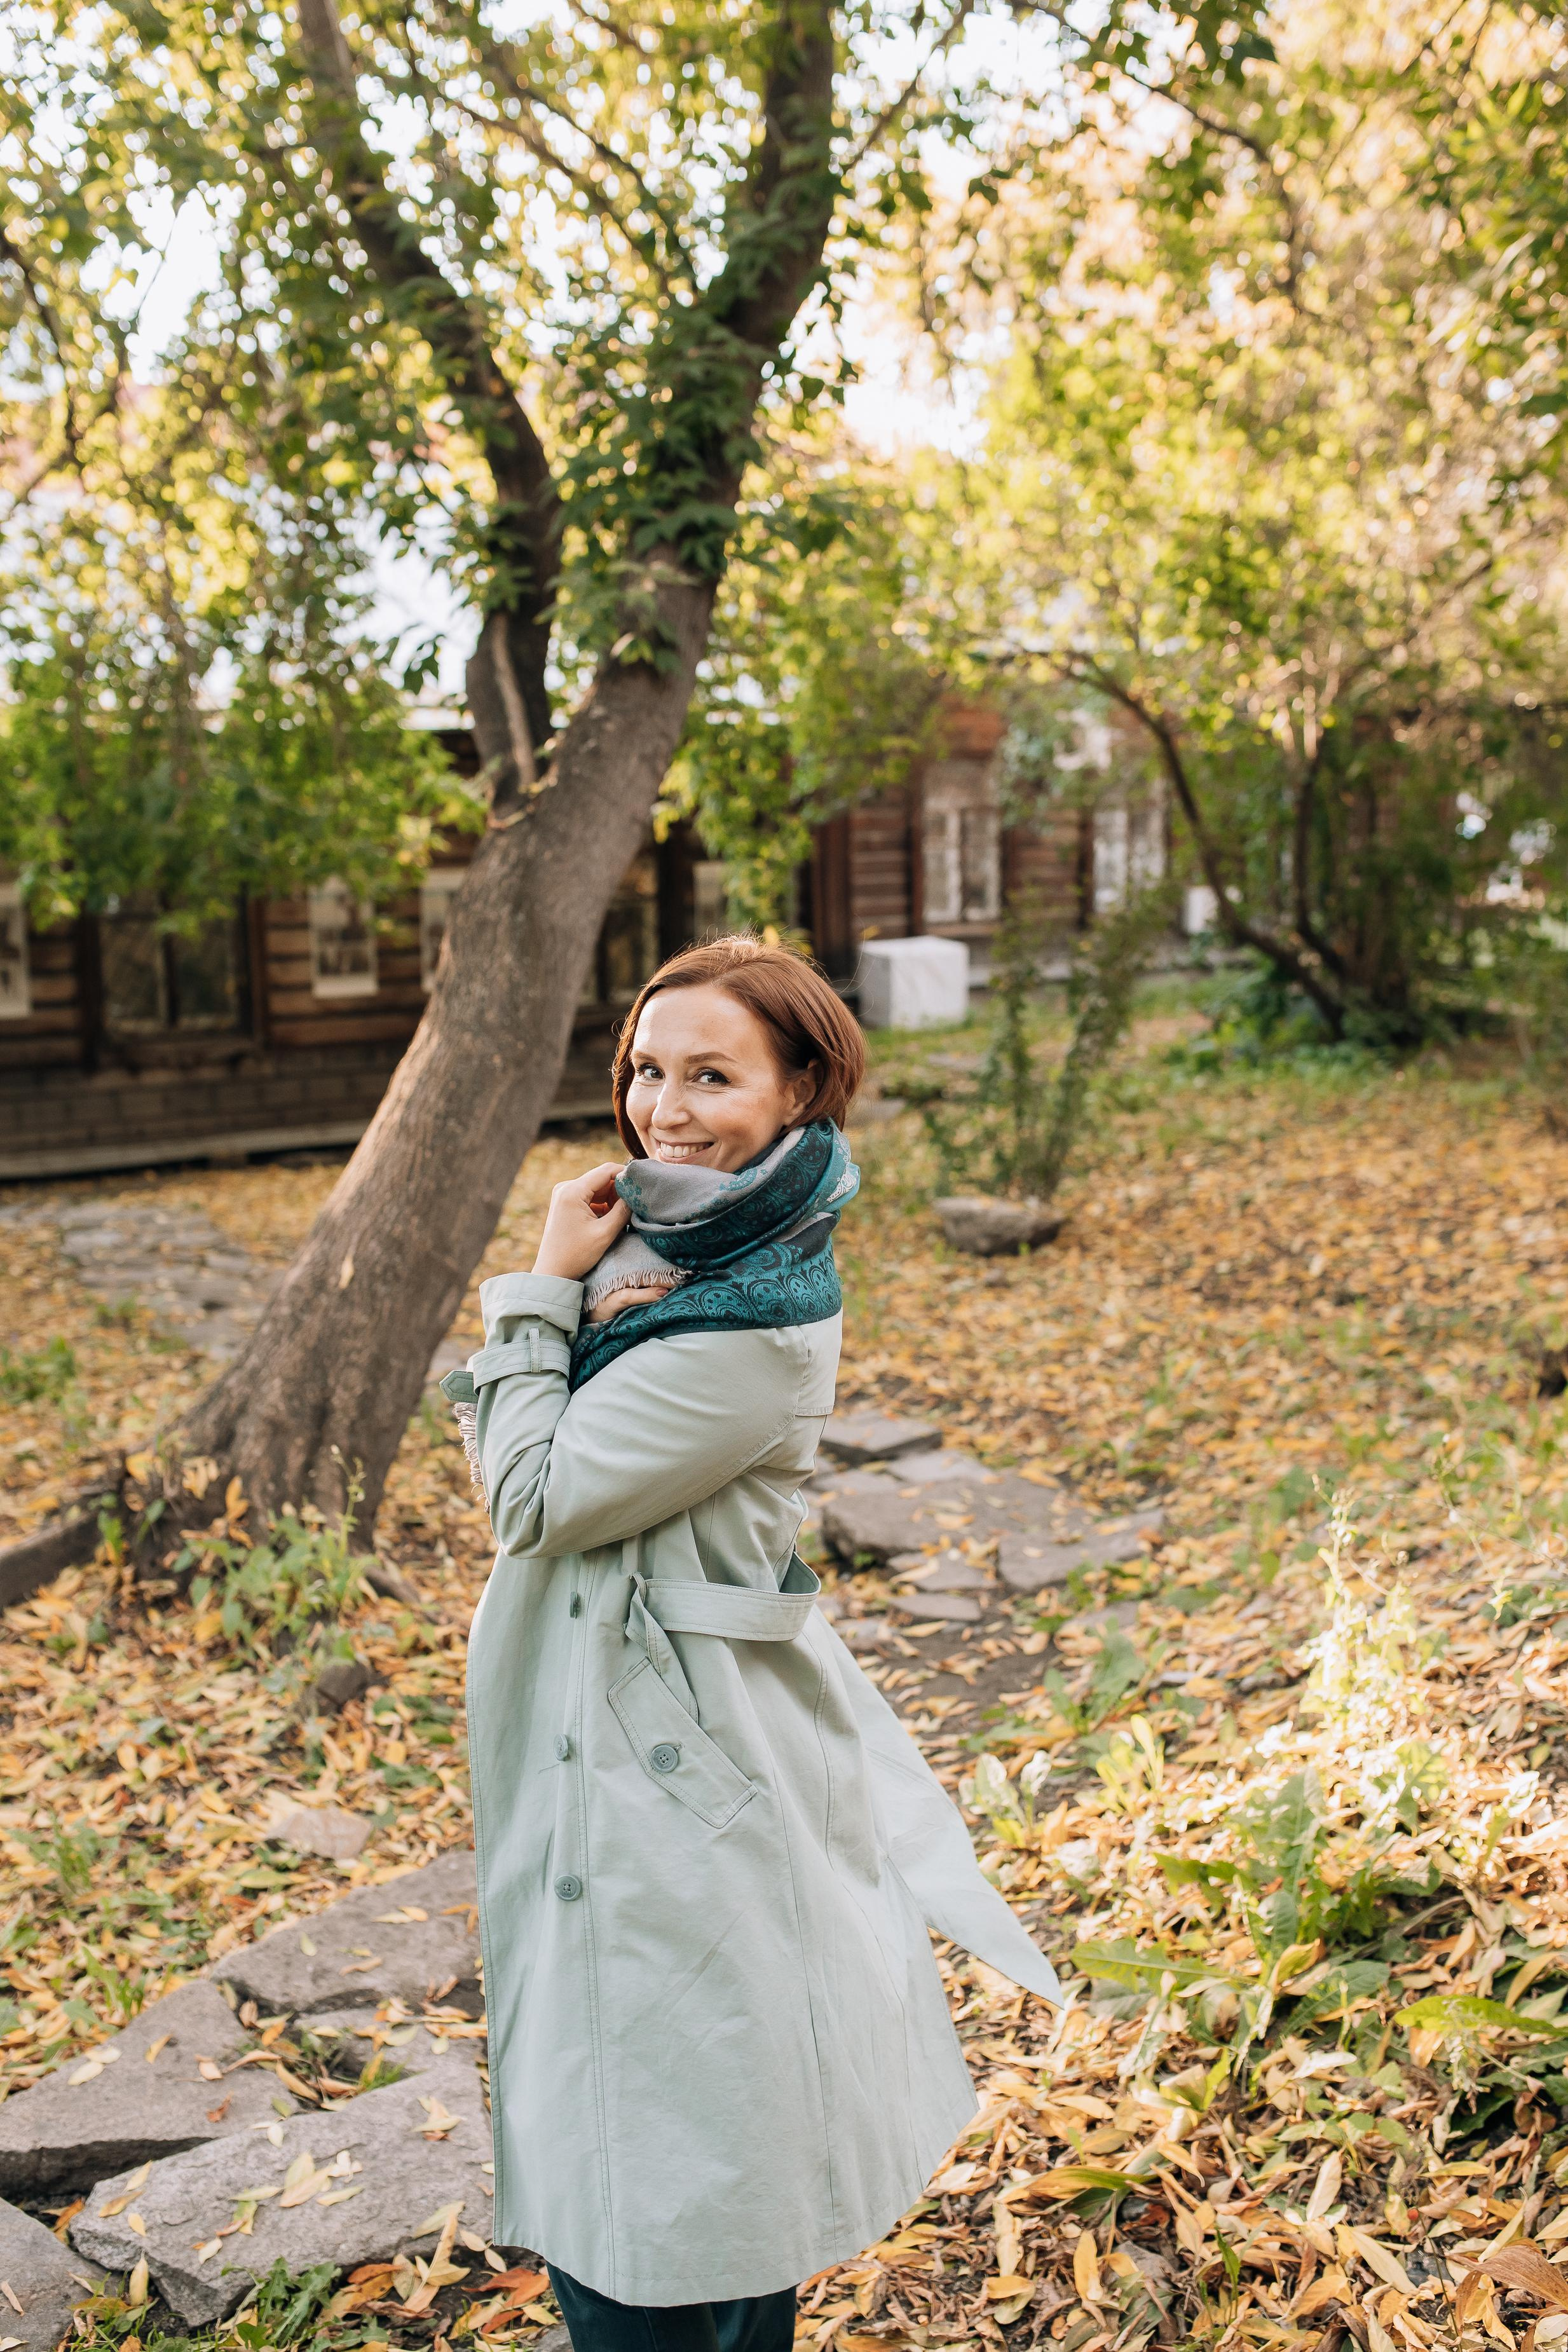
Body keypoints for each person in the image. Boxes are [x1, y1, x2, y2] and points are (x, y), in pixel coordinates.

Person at [453, 936, 1060, 2352]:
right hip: (626, 1716)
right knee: (657, 2136)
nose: (666, 1106)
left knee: (667, 2166)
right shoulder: (691, 1246)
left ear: (799, 1088)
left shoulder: (746, 1322)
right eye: (646, 1069)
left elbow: (526, 1494)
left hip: (671, 1752)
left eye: (712, 1074)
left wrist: (536, 1285)